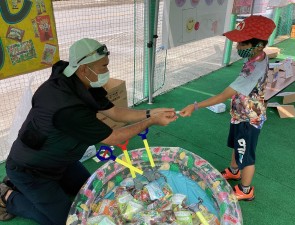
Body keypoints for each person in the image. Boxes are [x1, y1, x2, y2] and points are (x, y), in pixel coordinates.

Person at [0, 38, 177, 224]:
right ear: (84, 68)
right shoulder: (67, 108)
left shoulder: (80, 81)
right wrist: (151, 121)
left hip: (61, 160)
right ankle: (8, 197)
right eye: (103, 66)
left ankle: (25, 187)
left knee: (95, 194)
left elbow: (115, 112)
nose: (107, 71)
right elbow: (114, 138)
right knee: (68, 220)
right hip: (31, 170)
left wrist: (149, 113)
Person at [180, 15, 276, 201]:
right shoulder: (257, 56)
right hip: (240, 113)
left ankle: (245, 190)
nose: (237, 47)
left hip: (249, 118)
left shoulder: (253, 68)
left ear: (258, 45)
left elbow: (224, 95)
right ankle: (234, 171)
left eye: (241, 44)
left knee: (246, 155)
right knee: (236, 144)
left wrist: (195, 106)